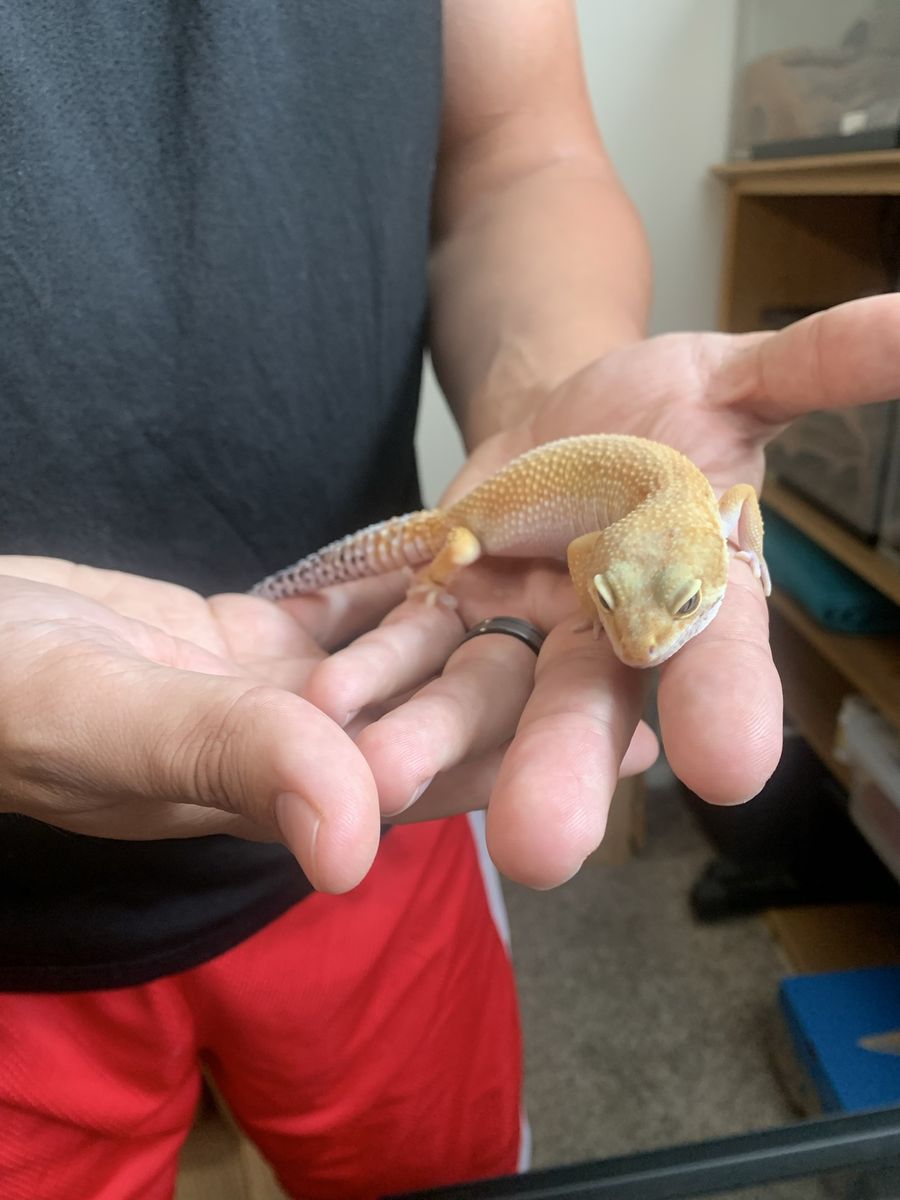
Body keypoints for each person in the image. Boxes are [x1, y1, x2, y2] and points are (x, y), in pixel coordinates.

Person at [2, 2, 898, 1197]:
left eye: (662, 604)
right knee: (440, 544)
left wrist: (553, 384)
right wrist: (445, 572)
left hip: (384, 777)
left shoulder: (706, 519)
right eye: (632, 599)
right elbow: (599, 565)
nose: (637, 632)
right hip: (38, 931)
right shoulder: (625, 544)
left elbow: (525, 155)